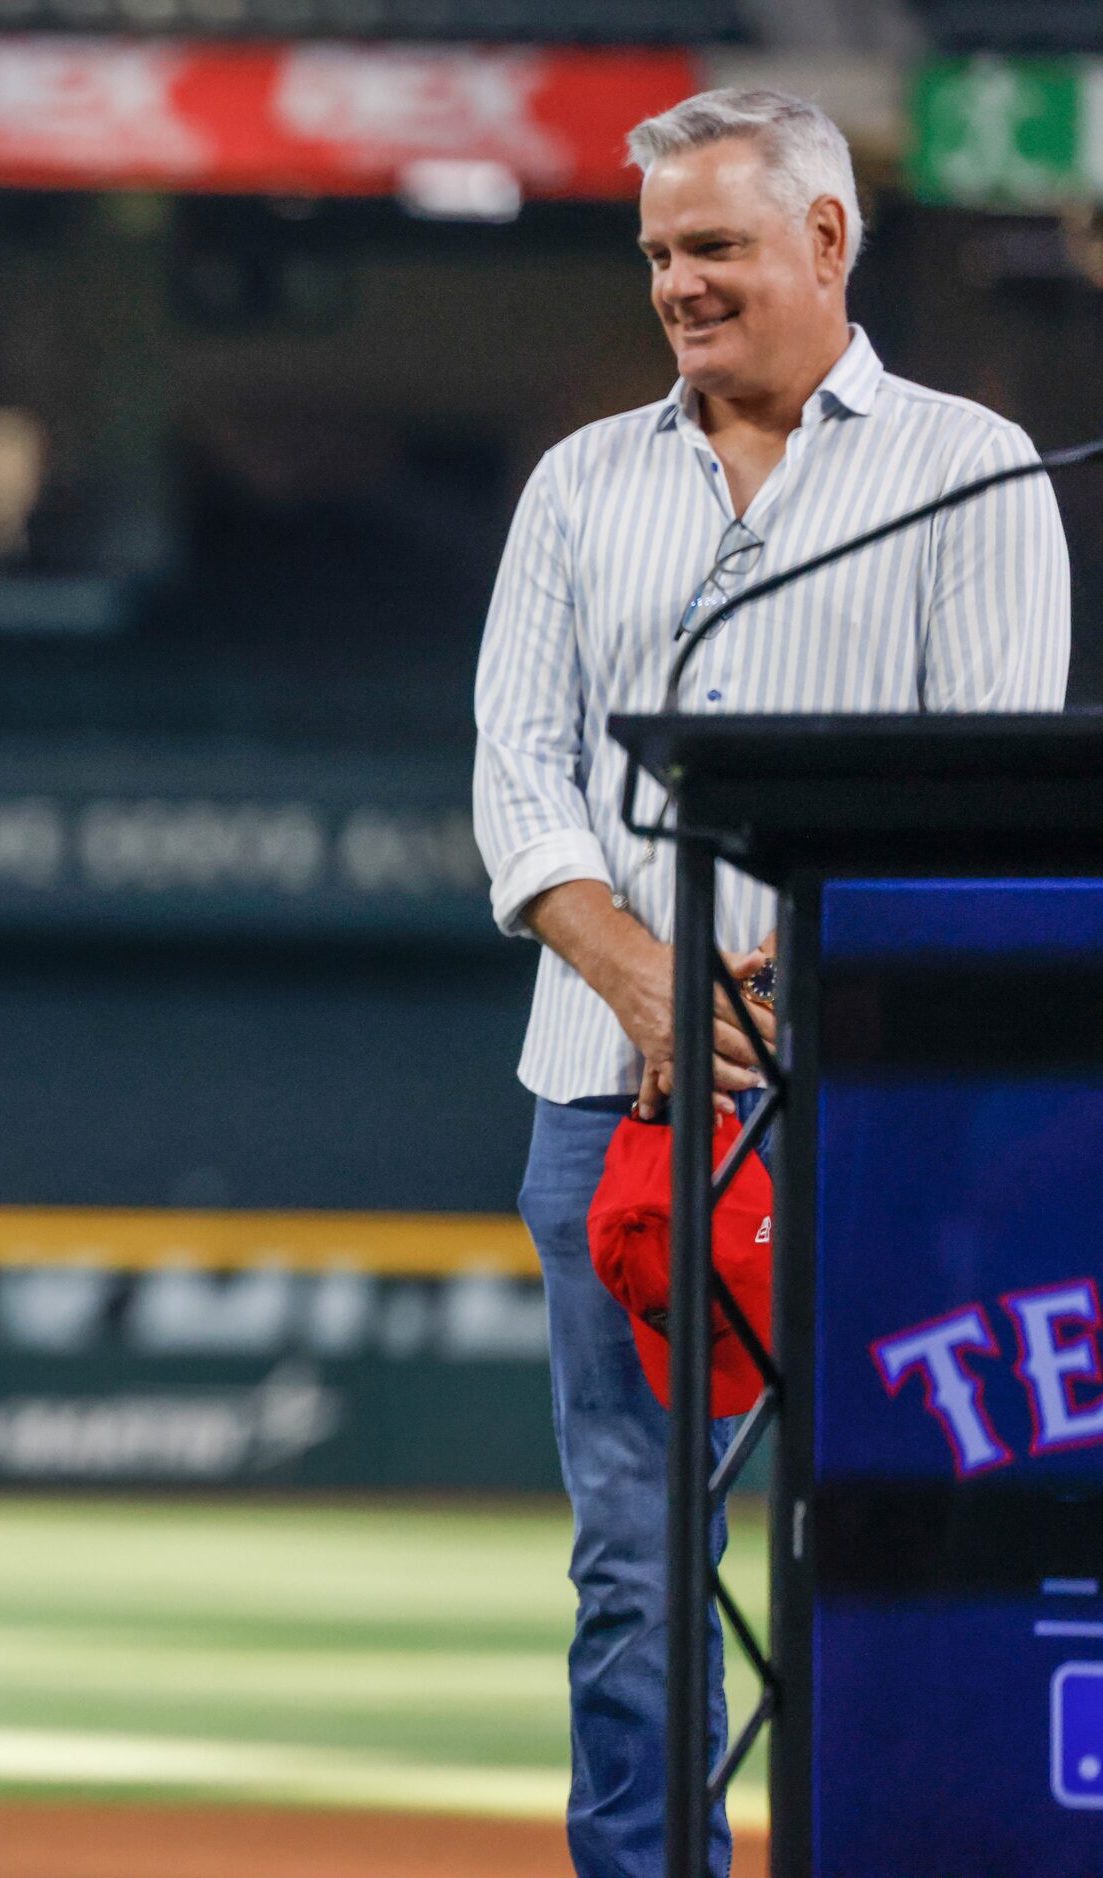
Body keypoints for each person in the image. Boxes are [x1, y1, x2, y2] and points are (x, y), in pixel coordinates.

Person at [472, 88, 1069, 1878]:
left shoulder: (971, 458)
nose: (676, 282)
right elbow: (516, 775)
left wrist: (796, 983)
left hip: (880, 1112)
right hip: (609, 1097)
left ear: (823, 239)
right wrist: (652, 987)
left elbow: (988, 780)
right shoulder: (579, 478)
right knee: (635, 1560)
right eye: (657, 250)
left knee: (906, 1528)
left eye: (712, 244)